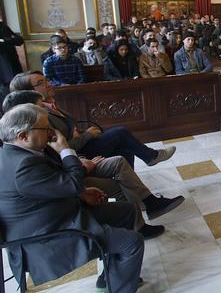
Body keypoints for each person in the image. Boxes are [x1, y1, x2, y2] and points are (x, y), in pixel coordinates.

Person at [1, 90, 186, 240]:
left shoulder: (32, 139)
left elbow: (58, 158)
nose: (49, 129)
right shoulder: (24, 159)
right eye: (41, 106)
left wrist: (77, 157)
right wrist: (76, 158)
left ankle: (149, 204)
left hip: (75, 164)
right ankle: (137, 222)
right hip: (69, 185)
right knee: (119, 152)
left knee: (120, 159)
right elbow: (64, 176)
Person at [0, 104, 144, 292]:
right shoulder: (23, 166)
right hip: (48, 237)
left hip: (58, 216)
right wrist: (65, 149)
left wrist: (81, 194)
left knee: (127, 211)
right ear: (23, 136)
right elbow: (73, 182)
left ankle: (111, 276)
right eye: (45, 128)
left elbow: (51, 185)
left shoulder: (17, 153)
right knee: (132, 242)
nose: (52, 133)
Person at [9, 71, 176, 168]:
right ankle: (151, 157)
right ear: (29, 91)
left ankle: (133, 196)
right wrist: (87, 135)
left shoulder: (51, 105)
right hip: (76, 155)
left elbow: (70, 130)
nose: (48, 83)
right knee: (120, 133)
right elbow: (59, 148)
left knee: (124, 151)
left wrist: (80, 133)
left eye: (46, 79)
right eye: (41, 82)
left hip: (81, 145)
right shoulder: (39, 116)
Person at [0, 19, 24, 90]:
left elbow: (19, 40)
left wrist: (4, 40)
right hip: (3, 63)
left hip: (12, 60)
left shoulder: (3, 26)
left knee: (18, 83)